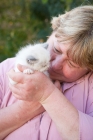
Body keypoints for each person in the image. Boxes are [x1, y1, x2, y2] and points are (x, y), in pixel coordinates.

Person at [0, 5, 93, 140]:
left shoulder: (90, 86)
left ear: (89, 68)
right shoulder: (6, 69)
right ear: (53, 30)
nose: (54, 64)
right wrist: (27, 108)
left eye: (72, 64)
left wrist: (48, 96)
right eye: (56, 49)